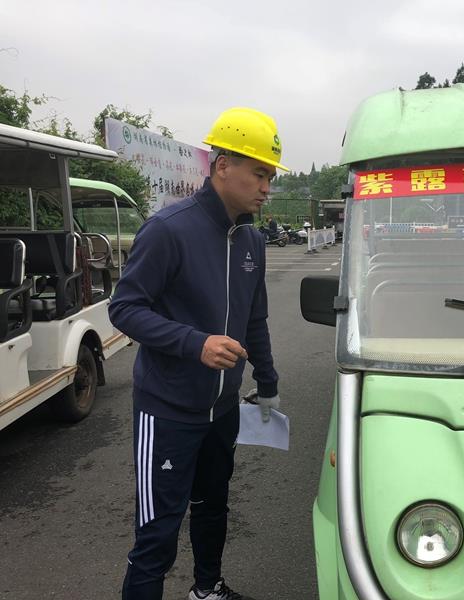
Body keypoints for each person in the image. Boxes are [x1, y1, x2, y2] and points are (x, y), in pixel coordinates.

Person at [110, 106, 289, 600]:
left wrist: (267, 383)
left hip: (222, 410)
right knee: (158, 534)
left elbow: (255, 319)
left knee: (213, 508)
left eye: (270, 178)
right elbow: (124, 308)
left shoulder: (252, 239)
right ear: (222, 165)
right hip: (168, 410)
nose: (266, 188)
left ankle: (207, 589)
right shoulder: (169, 229)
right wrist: (196, 343)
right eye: (259, 174)